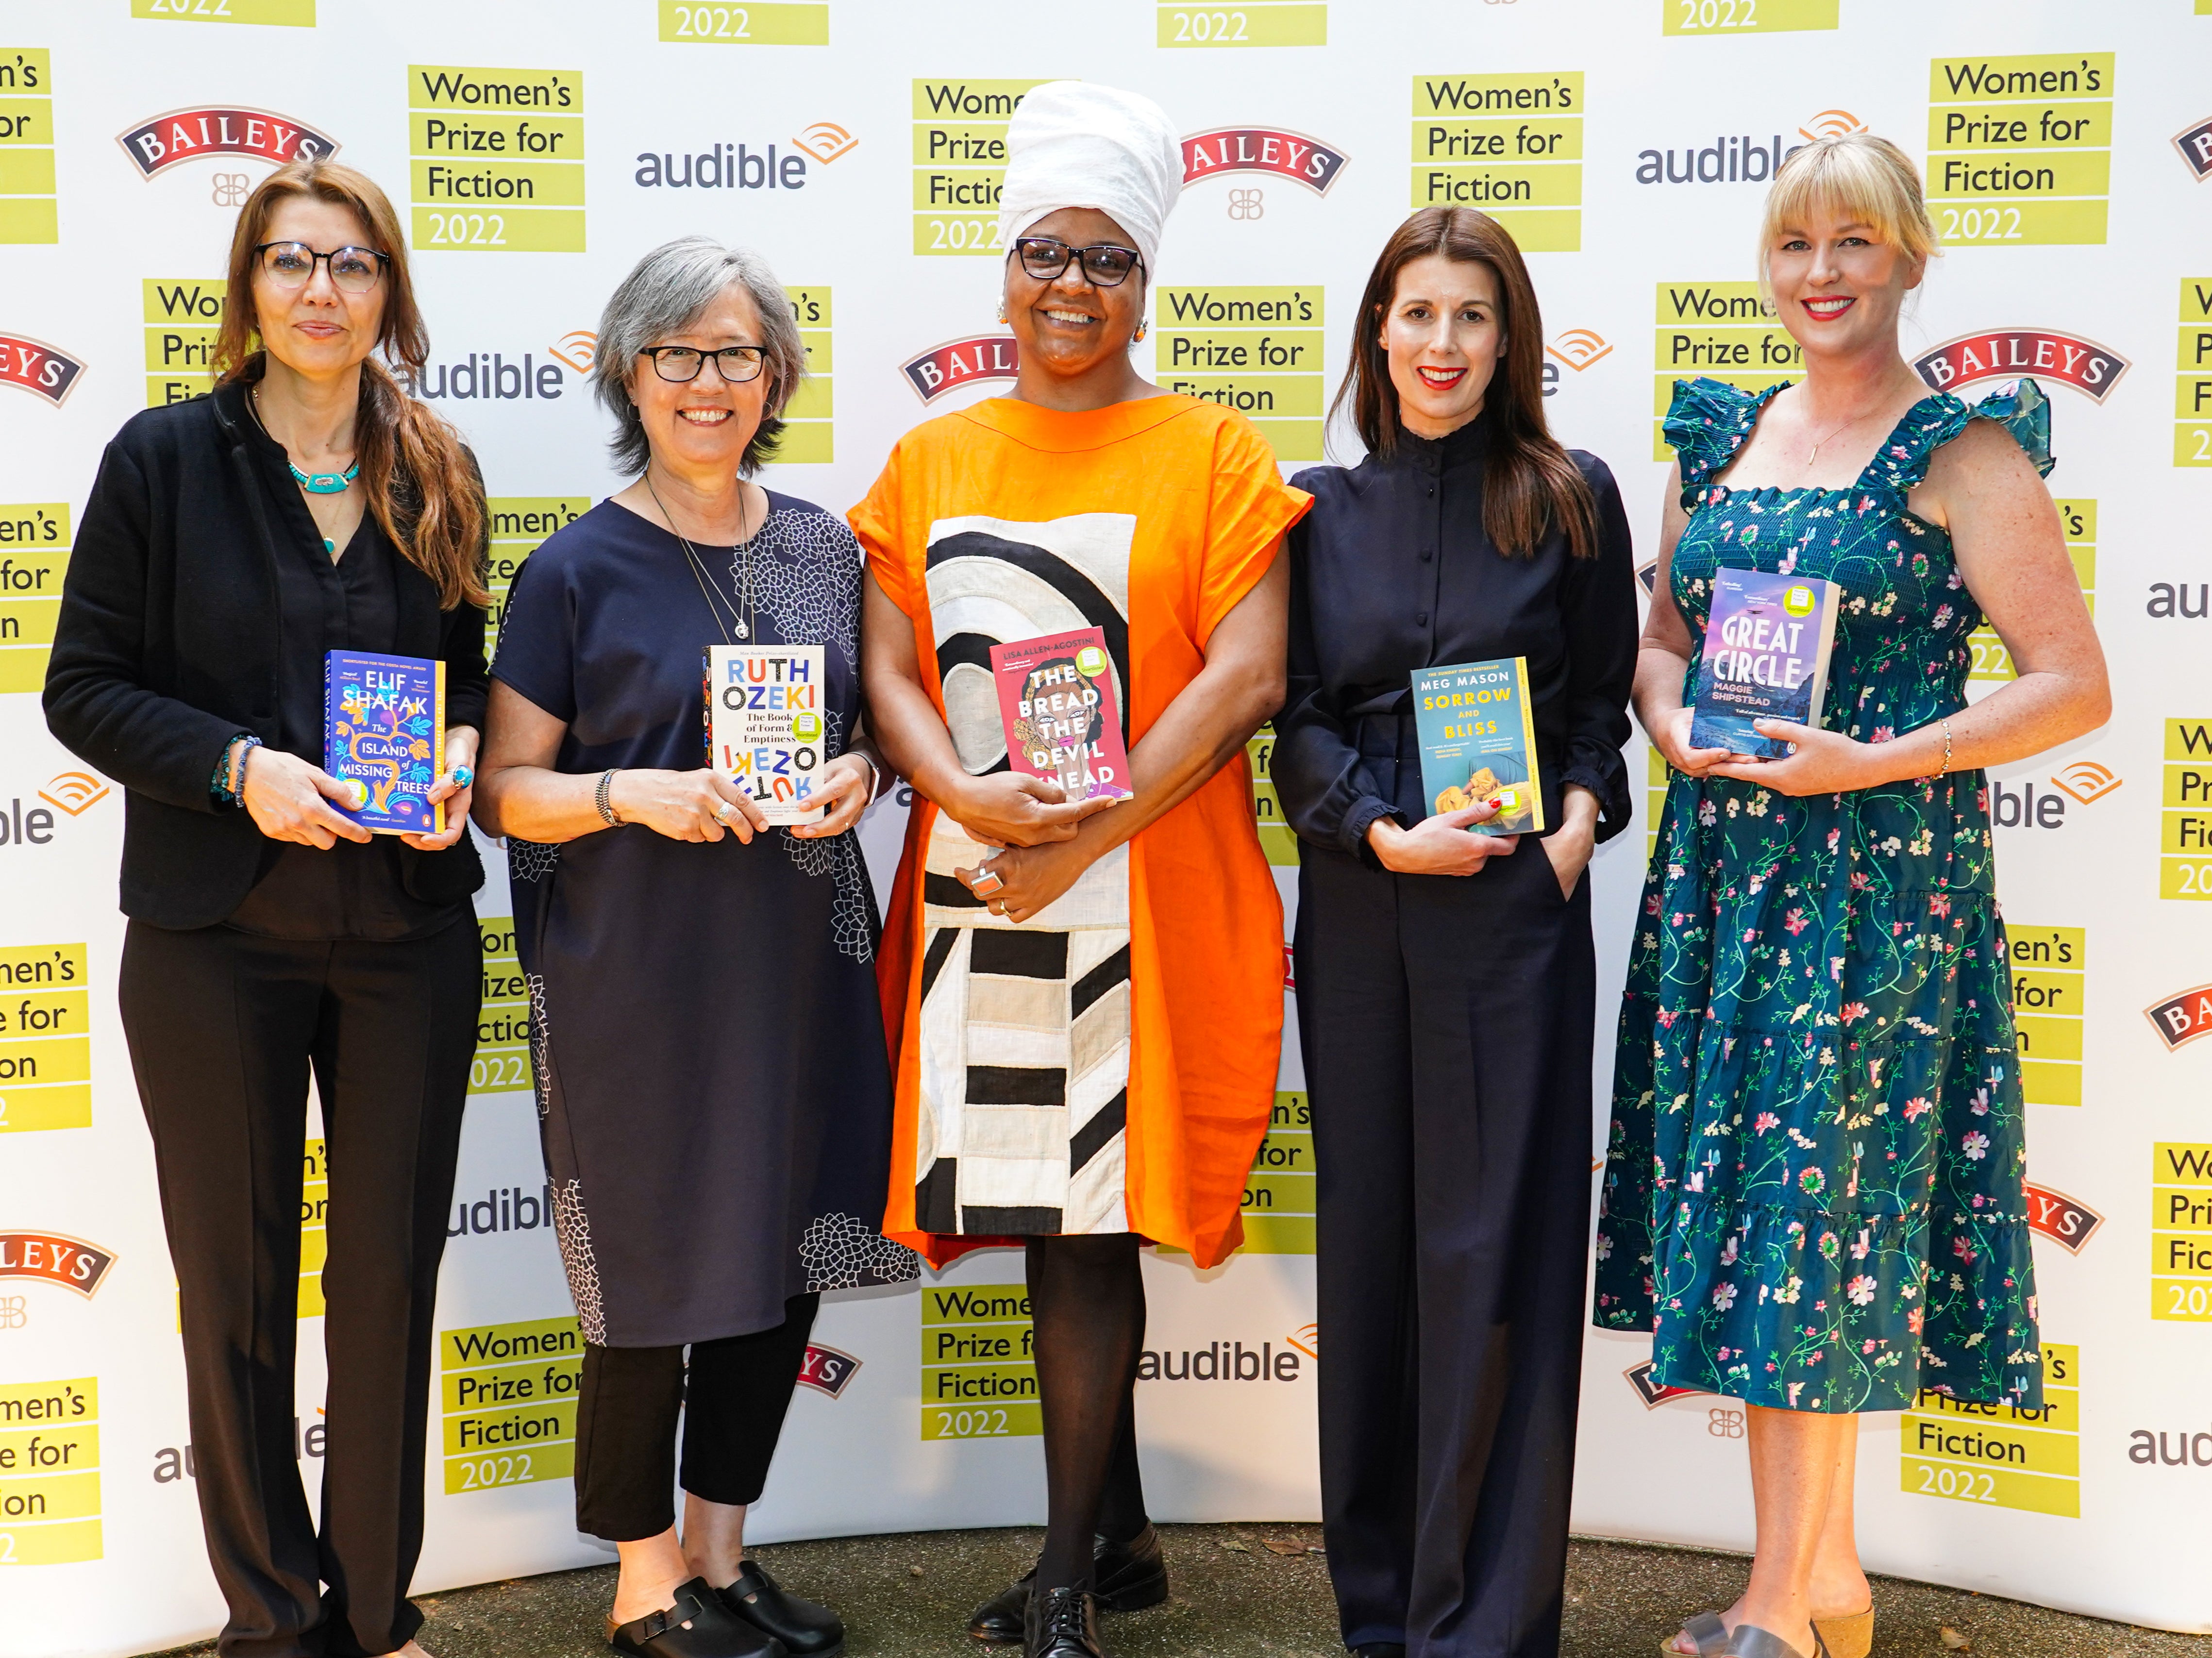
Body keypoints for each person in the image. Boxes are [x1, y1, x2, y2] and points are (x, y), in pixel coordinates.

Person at [1592, 134, 2110, 1658]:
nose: (1820, 275)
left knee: (1817, 1220)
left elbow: (2072, 687)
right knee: (1765, 1221)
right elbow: (1663, 632)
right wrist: (1667, 716)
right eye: (1795, 246)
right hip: (1722, 883)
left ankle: (1779, 1605)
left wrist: (1870, 763)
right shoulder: (1725, 431)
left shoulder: (1965, 450)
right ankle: (1820, 1585)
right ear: (1766, 264)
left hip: (1876, 894)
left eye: (1854, 245)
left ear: (1907, 258)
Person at [854, 80, 1311, 1658]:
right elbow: (891, 668)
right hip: (982, 890)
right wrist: (961, 795)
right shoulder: (932, 456)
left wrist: (1082, 833)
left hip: (1140, 890)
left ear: (1146, 284)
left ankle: (1061, 1575)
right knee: (1043, 1208)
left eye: (1106, 260)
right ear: (1002, 267)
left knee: (1090, 1218)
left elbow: (1242, 680)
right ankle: (1113, 1542)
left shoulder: (1211, 448)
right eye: (1046, 251)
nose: (1071, 286)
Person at [43, 159, 486, 1658]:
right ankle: (273, 1617)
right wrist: (240, 769)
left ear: (388, 293)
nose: (321, 290)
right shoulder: (162, 459)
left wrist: (468, 750)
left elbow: (465, 674)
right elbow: (81, 691)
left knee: (384, 1291)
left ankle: (372, 1613)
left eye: (353, 264)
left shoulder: (433, 464)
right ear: (248, 286)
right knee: (232, 1292)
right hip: (213, 941)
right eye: (292, 260)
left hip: (407, 935)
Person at [473, 237, 912, 1658]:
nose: (707, 382)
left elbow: (859, 732)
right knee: (644, 1276)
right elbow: (501, 790)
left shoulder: (822, 550)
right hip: (634, 982)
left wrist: (865, 777)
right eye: (677, 355)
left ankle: (722, 1556)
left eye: (735, 354)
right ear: (629, 372)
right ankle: (641, 1580)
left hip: (797, 966)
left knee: (777, 1261)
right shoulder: (573, 571)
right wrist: (626, 793)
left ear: (776, 374)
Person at [1273, 206, 1638, 1658]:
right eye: (1416, 313)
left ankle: (1481, 1627)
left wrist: (1567, 832)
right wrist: (1371, 827)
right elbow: (1292, 714)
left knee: (1496, 1254)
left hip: (1508, 917)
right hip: (1362, 900)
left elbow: (1604, 704)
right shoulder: (1314, 507)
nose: (1441, 344)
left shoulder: (1570, 496)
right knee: (1371, 1243)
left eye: (1471, 317)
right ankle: (1379, 1610)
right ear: (1377, 330)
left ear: (1509, 341)